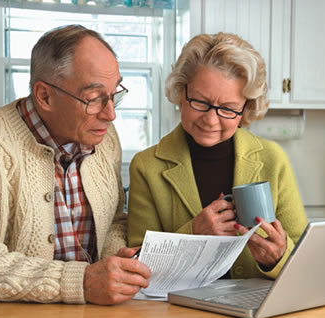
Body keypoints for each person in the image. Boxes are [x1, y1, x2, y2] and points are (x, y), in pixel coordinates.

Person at [0, 25, 150, 318]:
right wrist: (81, 282)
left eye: (115, 95)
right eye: (94, 98)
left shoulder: (105, 138)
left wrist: (115, 261)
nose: (111, 114)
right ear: (45, 95)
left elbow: (113, 219)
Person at [127, 32, 307, 280]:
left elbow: (304, 257)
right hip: (178, 313)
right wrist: (193, 234)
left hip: (258, 313)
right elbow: (136, 263)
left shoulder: (272, 159)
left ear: (246, 109)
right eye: (200, 102)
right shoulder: (146, 167)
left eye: (228, 109)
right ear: (181, 92)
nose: (210, 120)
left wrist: (277, 258)